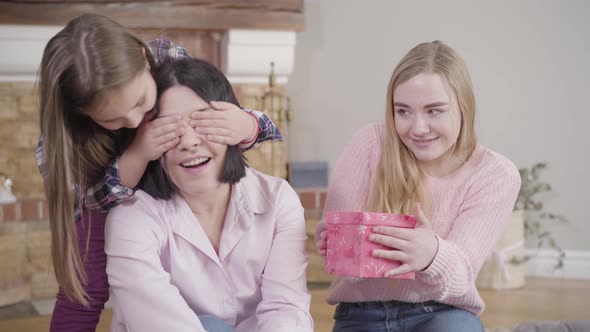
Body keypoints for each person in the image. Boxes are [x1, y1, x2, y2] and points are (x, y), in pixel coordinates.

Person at [37, 13, 282, 330]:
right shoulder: (61, 134)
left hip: (168, 185)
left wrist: (245, 124)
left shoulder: (168, 58)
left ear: (142, 57)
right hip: (102, 201)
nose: (136, 121)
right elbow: (84, 201)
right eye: (114, 119)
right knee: (83, 291)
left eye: (141, 102)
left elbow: (209, 121)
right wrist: (137, 154)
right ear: (81, 112)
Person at [315, 41, 521, 332]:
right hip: (361, 313)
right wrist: (331, 242)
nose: (418, 128)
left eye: (434, 111)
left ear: (464, 107)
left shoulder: (495, 174)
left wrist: (433, 254)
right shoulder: (370, 143)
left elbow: (462, 277)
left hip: (441, 312)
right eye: (403, 111)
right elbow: (339, 254)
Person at [104, 57, 313, 332]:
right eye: (170, 129)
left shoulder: (278, 200)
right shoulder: (131, 217)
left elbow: (286, 310)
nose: (190, 142)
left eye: (204, 122)